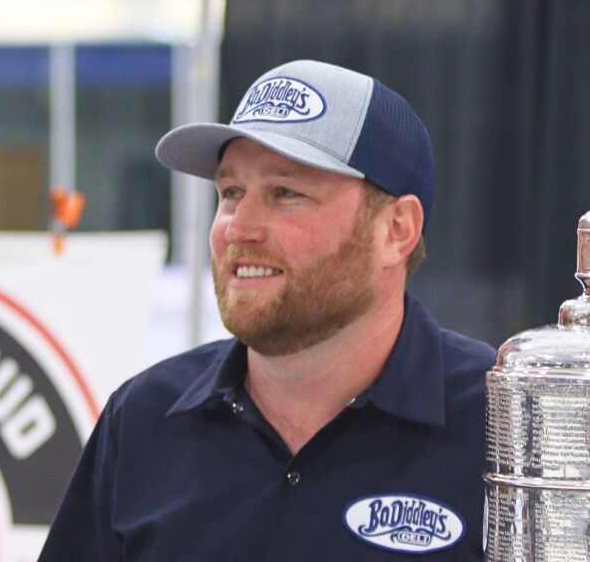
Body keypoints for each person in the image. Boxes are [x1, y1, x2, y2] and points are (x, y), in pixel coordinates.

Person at [39, 59, 496, 560]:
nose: (240, 228)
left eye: (285, 193)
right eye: (231, 193)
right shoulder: (145, 420)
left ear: (397, 230)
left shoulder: (502, 424)